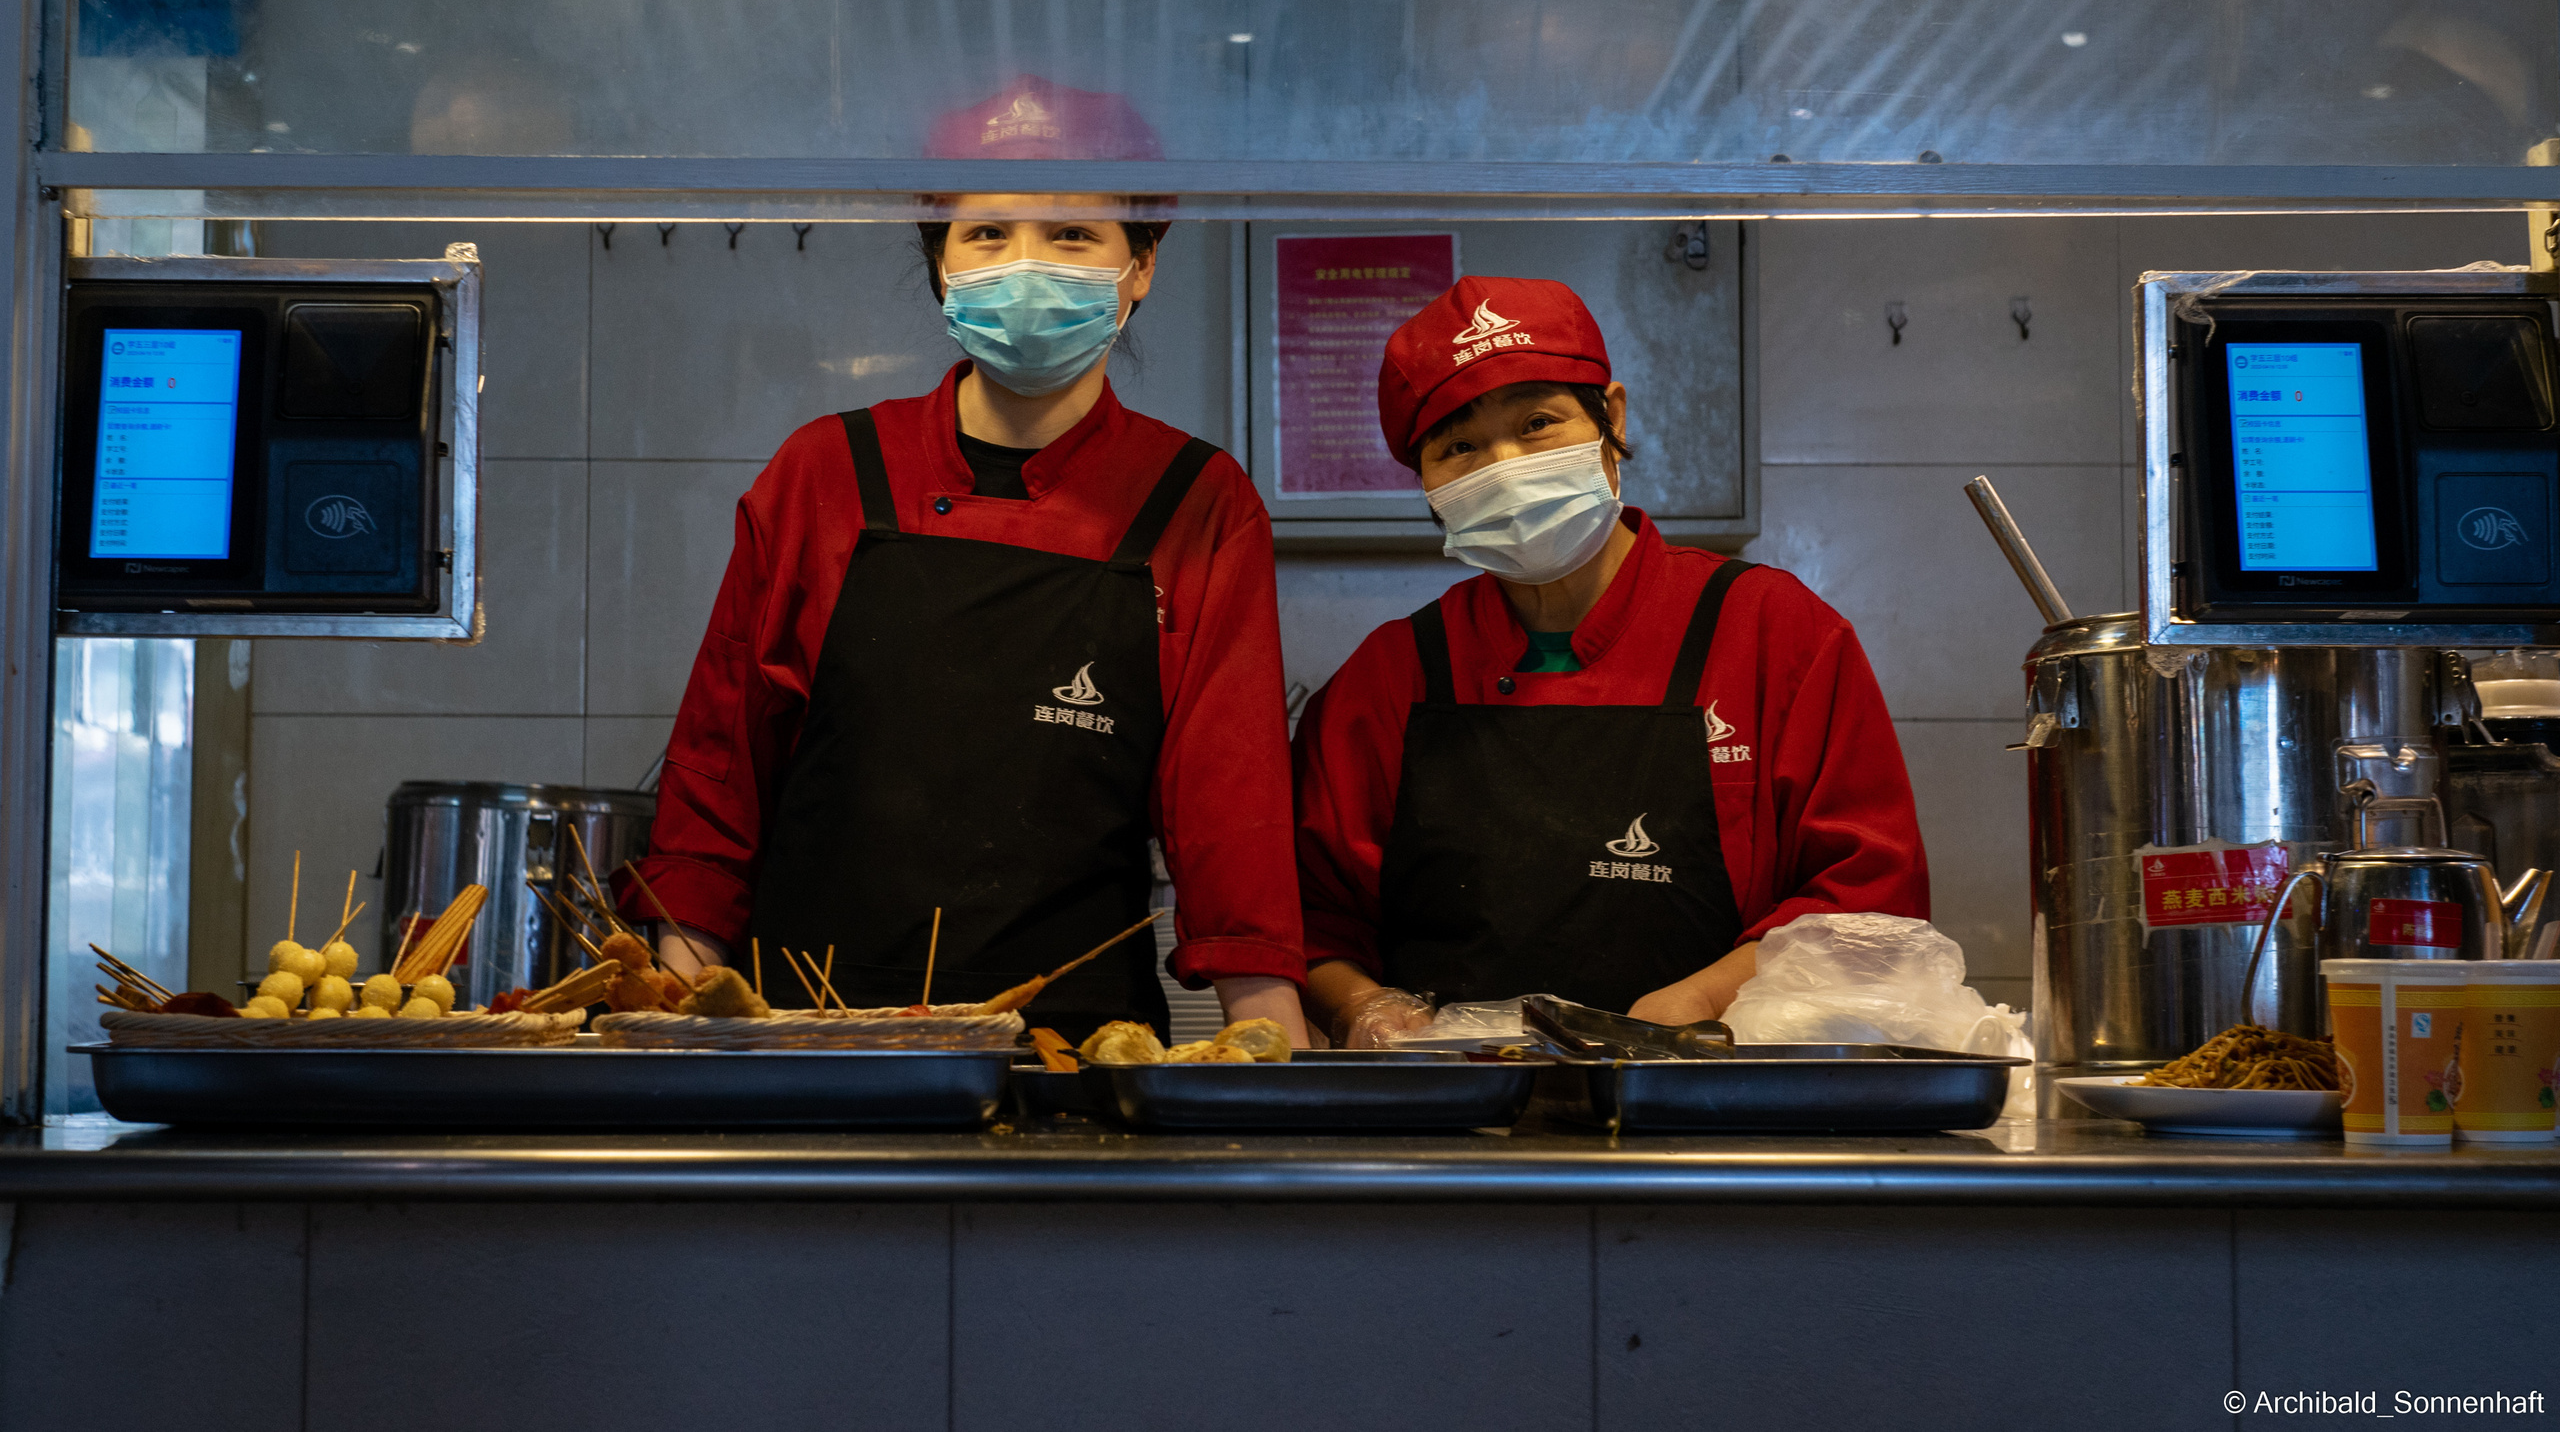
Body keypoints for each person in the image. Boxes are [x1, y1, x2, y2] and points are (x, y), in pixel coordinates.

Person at [623, 75, 1308, 1045]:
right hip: (806, 1040)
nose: (1025, 265)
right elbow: (719, 771)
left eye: (1072, 235)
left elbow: (1227, 810)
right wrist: (682, 1011)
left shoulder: (1196, 501)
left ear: (1141, 265)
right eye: (987, 233)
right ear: (941, 262)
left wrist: (1271, 1049)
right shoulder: (825, 471)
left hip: (1073, 1054)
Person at [1291, 275, 1928, 1047]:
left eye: (1536, 423)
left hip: (1714, 1129)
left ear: (1610, 418)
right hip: (1459, 1134)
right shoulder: (1388, 677)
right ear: (1426, 484)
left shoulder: (1773, 633)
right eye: (1459, 447)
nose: (1506, 466)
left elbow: (1869, 906)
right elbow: (1310, 916)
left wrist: (1692, 1002)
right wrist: (1360, 1006)